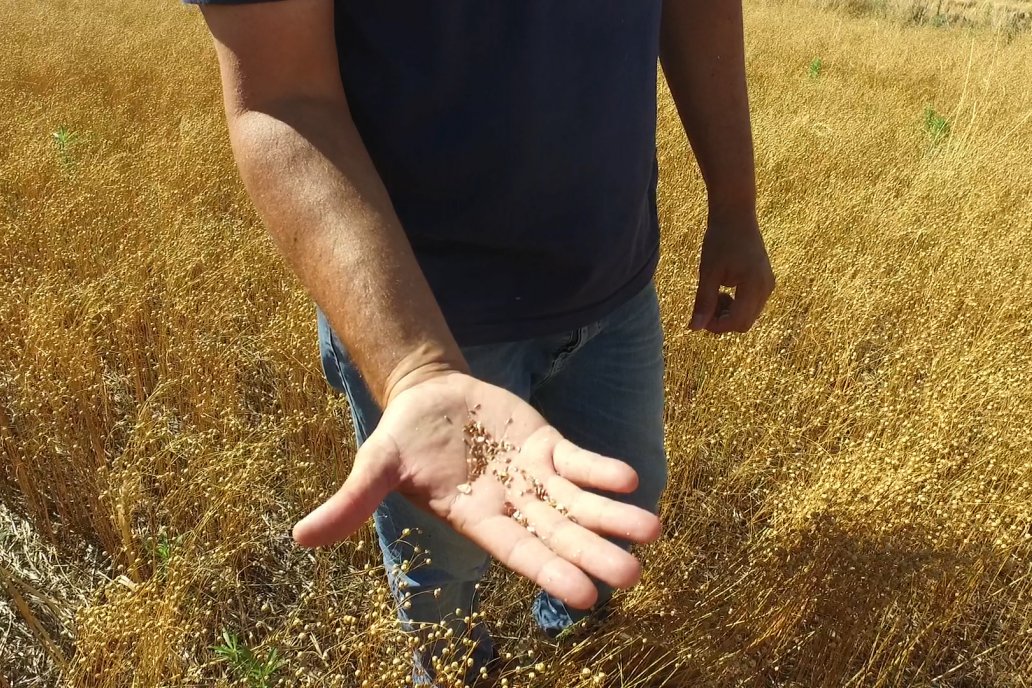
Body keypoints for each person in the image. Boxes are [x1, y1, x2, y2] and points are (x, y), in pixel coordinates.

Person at [187, 0, 774, 684]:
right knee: (444, 579)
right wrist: (415, 367)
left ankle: (570, 641)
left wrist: (734, 203)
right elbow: (282, 100)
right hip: (432, 319)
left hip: (617, 292)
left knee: (619, 513)